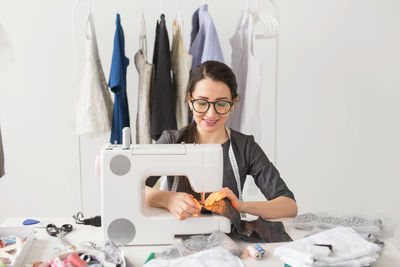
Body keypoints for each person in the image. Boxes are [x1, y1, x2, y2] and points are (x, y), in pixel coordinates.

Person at [145, 61, 297, 220]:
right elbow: (130, 188)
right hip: (176, 238)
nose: (211, 114)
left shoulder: (245, 147)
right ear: (190, 101)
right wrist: (168, 199)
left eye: (222, 103)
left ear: (233, 104)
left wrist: (242, 206)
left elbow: (289, 205)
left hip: (228, 239)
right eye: (202, 103)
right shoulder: (171, 142)